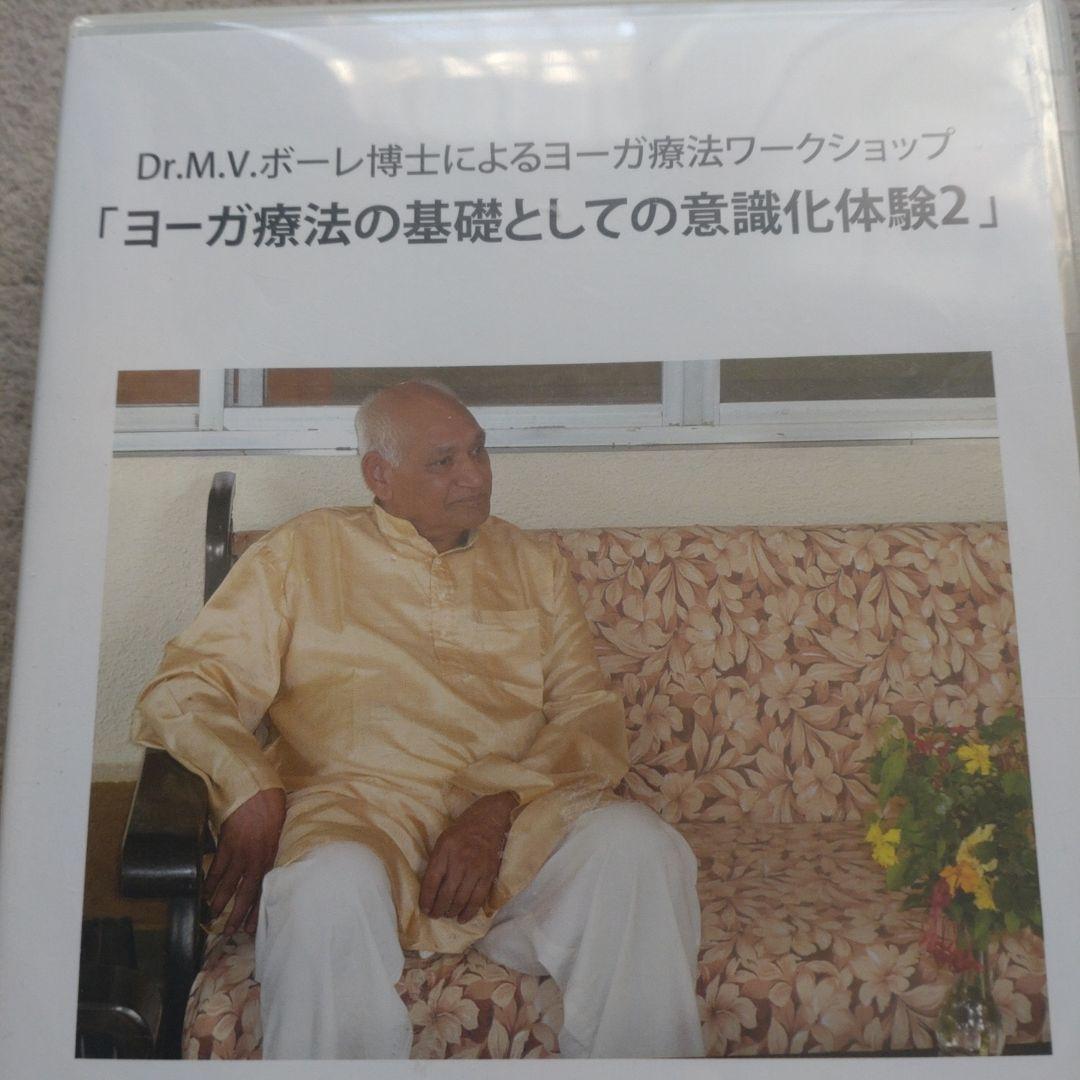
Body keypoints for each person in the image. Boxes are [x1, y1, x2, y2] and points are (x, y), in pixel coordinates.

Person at [132, 379, 704, 1060]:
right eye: (443, 461)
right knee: (324, 889)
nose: (475, 476)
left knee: (641, 847)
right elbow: (188, 685)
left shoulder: (531, 565)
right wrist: (248, 783)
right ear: (379, 475)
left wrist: (499, 808)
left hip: (512, 830)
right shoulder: (303, 553)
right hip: (358, 819)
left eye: (478, 451)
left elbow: (587, 712)